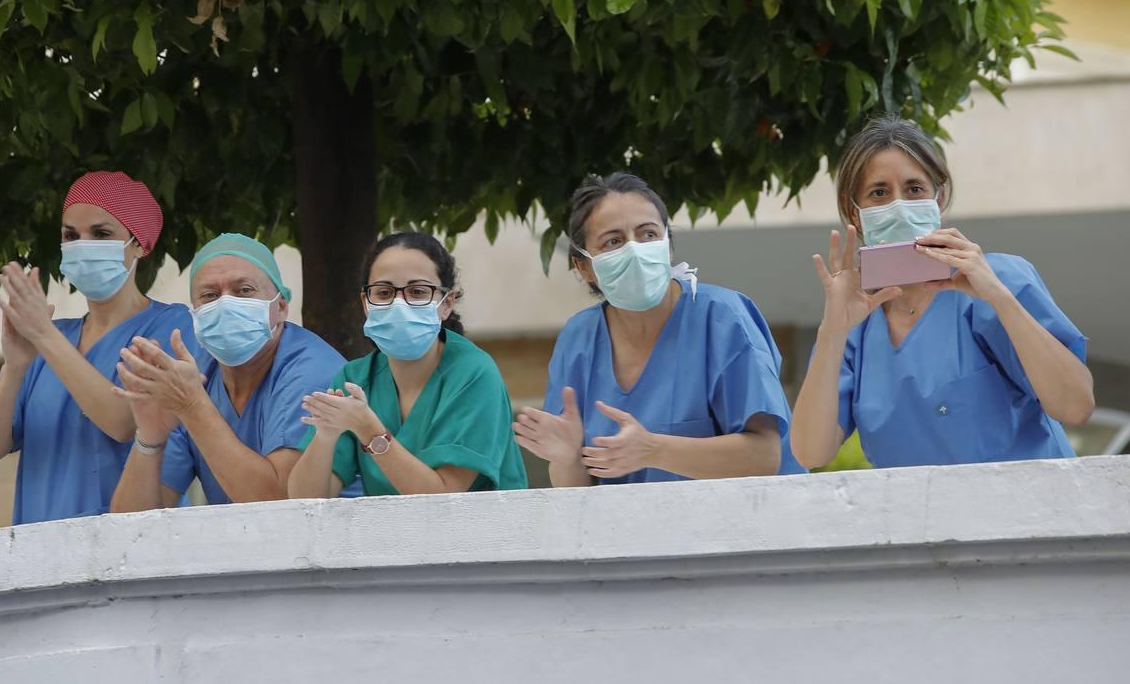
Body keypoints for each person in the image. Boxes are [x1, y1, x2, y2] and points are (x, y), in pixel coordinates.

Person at [790, 115, 1094, 470]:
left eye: (915, 189)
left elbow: (1076, 406)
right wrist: (832, 330)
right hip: (920, 522)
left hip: (1032, 514)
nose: (899, 204)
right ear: (852, 212)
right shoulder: (854, 324)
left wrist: (998, 296)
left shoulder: (998, 279)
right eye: (879, 192)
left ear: (940, 197)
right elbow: (810, 453)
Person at [513, 172, 802, 486]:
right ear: (584, 267)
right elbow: (577, 492)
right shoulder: (578, 338)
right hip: (629, 531)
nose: (635, 250)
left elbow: (764, 456)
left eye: (648, 234)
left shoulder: (722, 317)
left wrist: (653, 450)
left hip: (740, 529)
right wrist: (567, 459)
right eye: (613, 241)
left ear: (668, 245)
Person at [0, 170, 194, 523]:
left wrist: (46, 337)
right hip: (41, 552)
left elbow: (123, 422)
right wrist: (14, 367)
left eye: (101, 233)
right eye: (70, 236)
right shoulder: (49, 340)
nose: (82, 245)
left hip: (131, 550)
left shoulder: (171, 326)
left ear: (141, 244)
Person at [109, 233, 349, 510]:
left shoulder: (312, 370)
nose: (225, 304)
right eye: (209, 295)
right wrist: (150, 435)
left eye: (244, 290)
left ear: (281, 307)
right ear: (195, 314)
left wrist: (192, 407)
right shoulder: (197, 375)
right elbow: (130, 524)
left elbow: (284, 509)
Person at [287, 231, 527, 498]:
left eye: (417, 291)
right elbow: (306, 501)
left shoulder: (474, 374)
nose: (399, 304)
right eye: (384, 292)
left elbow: (442, 497)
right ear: (366, 303)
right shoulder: (355, 378)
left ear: (446, 303)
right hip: (392, 537)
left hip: (482, 536)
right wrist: (325, 437)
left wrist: (370, 431)